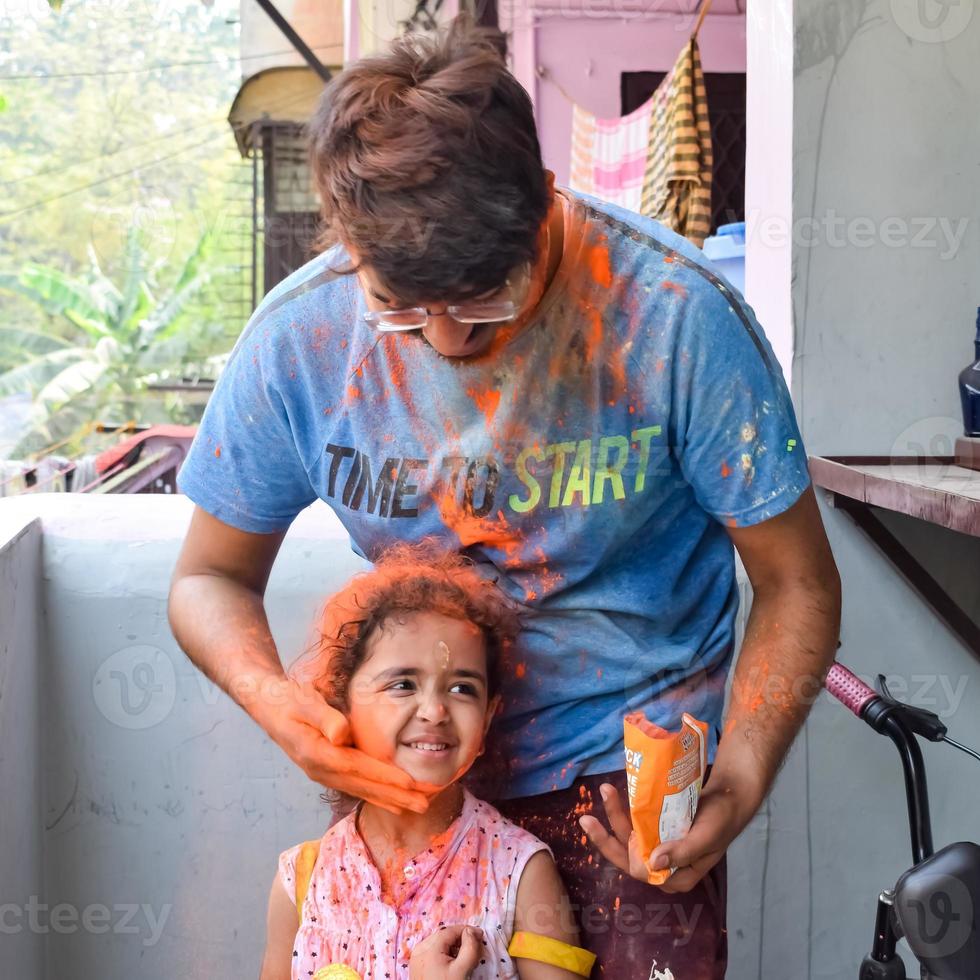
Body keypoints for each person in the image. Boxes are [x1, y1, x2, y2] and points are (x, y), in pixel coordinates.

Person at [169, 15, 841, 977]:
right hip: (411, 782)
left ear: (544, 208)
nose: (445, 341)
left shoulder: (678, 317)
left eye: (484, 301)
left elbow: (797, 582)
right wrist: (278, 706)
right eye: (402, 310)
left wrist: (741, 769)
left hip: (624, 791)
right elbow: (207, 578)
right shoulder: (301, 338)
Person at [259, 545, 594, 980]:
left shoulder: (519, 871)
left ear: (488, 716)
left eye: (461, 689)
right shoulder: (302, 883)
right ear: (341, 704)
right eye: (402, 684)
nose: (434, 711)